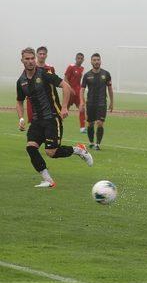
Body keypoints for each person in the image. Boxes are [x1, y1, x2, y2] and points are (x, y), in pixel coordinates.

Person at [16, 47, 94, 188]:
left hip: (52, 118)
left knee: (51, 152)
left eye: (32, 58)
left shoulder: (44, 74)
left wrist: (64, 107)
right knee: (31, 148)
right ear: (22, 60)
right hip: (36, 120)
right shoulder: (21, 81)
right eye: (27, 59)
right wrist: (21, 118)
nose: (30, 61)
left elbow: (65, 86)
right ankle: (49, 181)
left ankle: (79, 150)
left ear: (35, 59)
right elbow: (19, 101)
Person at [80, 53, 113, 150]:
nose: (96, 62)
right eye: (94, 60)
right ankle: (91, 142)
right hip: (90, 103)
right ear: (91, 62)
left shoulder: (106, 74)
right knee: (90, 123)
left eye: (98, 60)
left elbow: (110, 89)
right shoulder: (87, 75)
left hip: (102, 103)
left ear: (100, 61)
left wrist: (112, 102)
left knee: (100, 123)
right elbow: (82, 90)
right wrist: (82, 101)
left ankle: (97, 144)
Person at [26, 46, 56, 123]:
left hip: (46, 102)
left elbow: (53, 85)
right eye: (40, 54)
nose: (42, 56)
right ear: (37, 55)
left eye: (44, 54)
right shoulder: (30, 67)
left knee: (47, 123)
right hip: (33, 100)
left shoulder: (50, 68)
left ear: (46, 55)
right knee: (34, 124)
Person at [64, 52, 87, 133]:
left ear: (83, 60)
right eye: (78, 58)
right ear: (75, 58)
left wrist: (81, 90)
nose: (80, 60)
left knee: (82, 108)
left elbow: (79, 81)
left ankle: (82, 128)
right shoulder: (71, 67)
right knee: (65, 109)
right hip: (70, 92)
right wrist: (69, 89)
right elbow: (65, 79)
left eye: (81, 58)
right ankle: (58, 123)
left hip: (78, 92)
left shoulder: (82, 69)